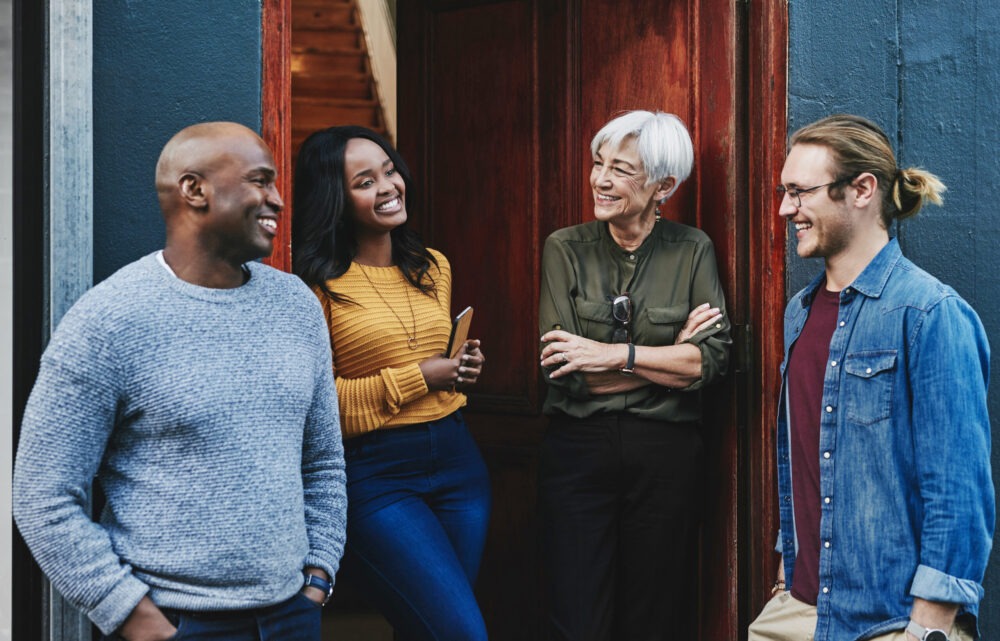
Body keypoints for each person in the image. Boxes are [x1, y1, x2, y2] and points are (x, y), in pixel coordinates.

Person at [12, 122, 347, 641]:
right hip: (178, 624)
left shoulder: (297, 306)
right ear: (195, 190)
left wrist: (319, 575)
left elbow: (323, 458)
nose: (277, 200)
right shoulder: (110, 321)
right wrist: (135, 618)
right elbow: (42, 495)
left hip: (292, 617)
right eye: (260, 181)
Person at [749, 114, 994, 641]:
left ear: (862, 190)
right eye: (783, 191)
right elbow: (808, 458)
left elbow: (958, 491)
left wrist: (927, 628)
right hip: (798, 610)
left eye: (799, 192)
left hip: (890, 621)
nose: (784, 208)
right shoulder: (801, 311)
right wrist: (783, 577)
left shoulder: (930, 313)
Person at [537, 110, 732, 641]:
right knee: (577, 616)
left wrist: (611, 354)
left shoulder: (693, 249)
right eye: (599, 164)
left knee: (656, 613)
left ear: (663, 185)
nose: (601, 179)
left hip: (666, 455)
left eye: (620, 170)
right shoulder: (564, 248)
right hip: (579, 448)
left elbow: (711, 363)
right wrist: (669, 355)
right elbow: (567, 373)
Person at [292, 125, 491, 641]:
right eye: (365, 181)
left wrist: (458, 368)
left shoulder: (433, 267)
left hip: (457, 459)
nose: (388, 186)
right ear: (336, 198)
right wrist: (420, 376)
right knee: (460, 632)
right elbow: (316, 409)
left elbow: (435, 369)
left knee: (428, 629)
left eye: (389, 170)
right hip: (374, 475)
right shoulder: (313, 287)